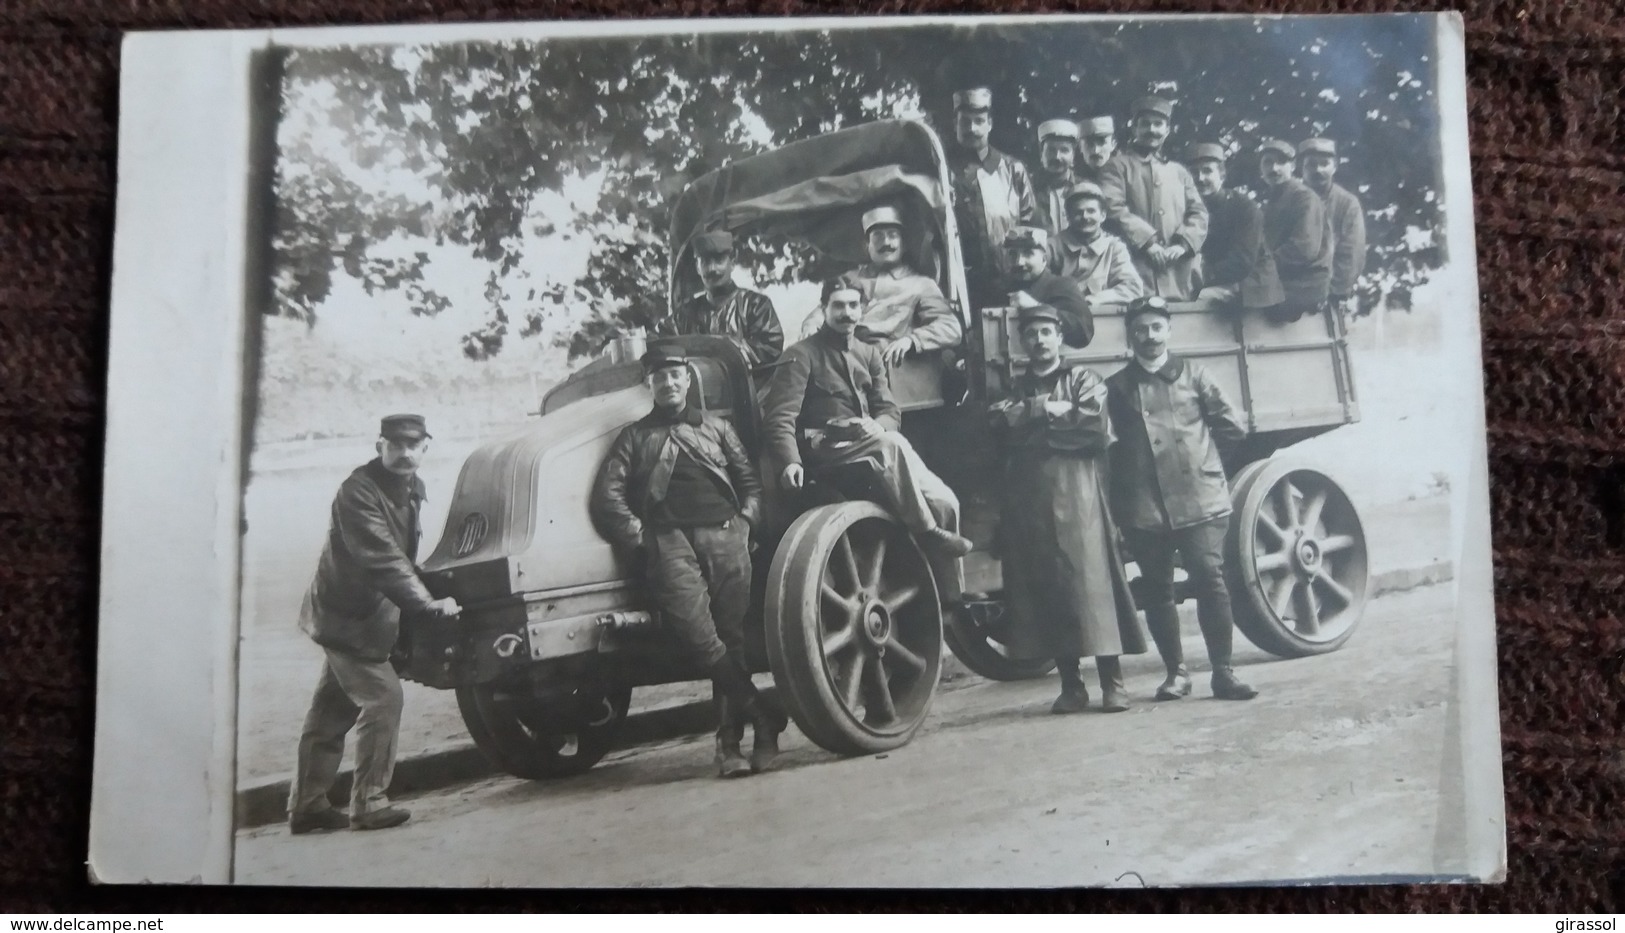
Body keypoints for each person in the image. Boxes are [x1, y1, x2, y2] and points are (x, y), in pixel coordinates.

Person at [589, 342, 786, 778]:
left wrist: (745, 524)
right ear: (649, 384)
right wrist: (642, 537)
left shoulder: (716, 429)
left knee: (731, 640)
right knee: (701, 640)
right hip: (669, 543)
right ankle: (763, 713)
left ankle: (730, 746)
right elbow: (608, 497)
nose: (668, 383)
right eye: (659, 377)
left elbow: (749, 482)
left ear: (688, 378)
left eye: (675, 374)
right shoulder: (635, 437)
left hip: (725, 538)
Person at [288, 414, 462, 834]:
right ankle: (368, 803)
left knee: (332, 709)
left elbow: (400, 556)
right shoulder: (358, 492)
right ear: (379, 445)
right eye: (395, 444)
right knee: (383, 698)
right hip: (346, 617)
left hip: (360, 617)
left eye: (413, 445)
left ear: (426, 448)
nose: (404, 453)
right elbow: (382, 557)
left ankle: (307, 806)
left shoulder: (409, 489)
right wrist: (426, 604)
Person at [988, 303, 1146, 715]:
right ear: (1023, 342)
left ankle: (1113, 683)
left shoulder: (1084, 380)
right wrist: (1045, 411)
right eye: (1032, 334)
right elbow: (998, 428)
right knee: (1048, 588)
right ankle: (1072, 685)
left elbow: (1092, 432)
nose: (1039, 340)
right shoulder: (1014, 388)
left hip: (1079, 497)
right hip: (1031, 500)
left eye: (1046, 332)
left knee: (1091, 584)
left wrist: (1033, 428)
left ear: (1059, 338)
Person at [1105, 297, 1259, 702]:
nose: (1149, 336)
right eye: (1141, 329)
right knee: (1157, 588)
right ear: (1130, 336)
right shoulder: (1117, 388)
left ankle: (1223, 672)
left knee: (1210, 579)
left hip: (1199, 501)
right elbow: (1108, 450)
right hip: (1143, 507)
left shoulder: (1196, 375)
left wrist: (1204, 467)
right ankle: (1176, 673)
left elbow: (1232, 430)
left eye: (1156, 327)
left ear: (1169, 330)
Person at [765, 276, 973, 558]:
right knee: (893, 444)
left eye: (853, 305)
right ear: (824, 308)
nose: (846, 313)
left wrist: (877, 425)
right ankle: (925, 532)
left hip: (870, 446)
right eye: (838, 306)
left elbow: (889, 410)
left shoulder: (869, 354)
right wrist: (789, 462)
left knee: (946, 502)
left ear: (862, 309)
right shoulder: (802, 355)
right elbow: (781, 417)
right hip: (824, 451)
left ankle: (952, 597)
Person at [804, 205, 962, 365]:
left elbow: (950, 327)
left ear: (904, 244)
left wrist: (912, 340)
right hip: (848, 363)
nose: (886, 242)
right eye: (878, 237)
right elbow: (824, 310)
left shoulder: (921, 284)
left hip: (896, 367)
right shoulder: (849, 279)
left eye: (892, 236)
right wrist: (811, 324)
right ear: (867, 246)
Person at [1098, 95, 1208, 301]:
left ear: (1167, 130)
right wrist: (1148, 243)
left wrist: (1182, 245)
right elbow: (1112, 207)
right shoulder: (1117, 166)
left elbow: (1198, 212)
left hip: (1179, 274)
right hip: (1137, 270)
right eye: (1145, 124)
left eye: (1158, 124)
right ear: (1135, 129)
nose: (1152, 130)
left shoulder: (1179, 171)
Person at [947, 86, 1037, 307]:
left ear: (990, 124)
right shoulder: (943, 171)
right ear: (954, 125)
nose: (972, 128)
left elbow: (1030, 224)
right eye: (964, 122)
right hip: (960, 283)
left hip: (1010, 279)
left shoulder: (1013, 169)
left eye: (979, 121)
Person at [1185, 142, 1284, 311]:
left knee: (1193, 301)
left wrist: (1201, 275)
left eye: (1207, 171)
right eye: (1194, 173)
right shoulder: (1186, 209)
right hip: (1215, 281)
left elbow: (1242, 262)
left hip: (1251, 284)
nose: (1200, 178)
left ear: (1222, 174)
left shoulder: (1244, 207)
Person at [662, 230, 784, 366]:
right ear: (698, 267)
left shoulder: (755, 305)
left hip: (747, 385)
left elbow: (771, 347)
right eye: (706, 262)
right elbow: (659, 340)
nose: (713, 268)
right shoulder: (685, 314)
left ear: (732, 263)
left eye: (719, 260)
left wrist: (724, 349)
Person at [1258, 138, 1333, 322]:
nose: (1274, 168)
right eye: (1268, 162)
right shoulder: (1272, 202)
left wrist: (1259, 269)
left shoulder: (1304, 198)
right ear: (1261, 168)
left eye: (1281, 162)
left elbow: (1302, 249)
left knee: (1231, 301)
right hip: (1285, 282)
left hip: (1305, 284)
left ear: (1292, 166)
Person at [1051, 182, 1145, 310]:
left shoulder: (1114, 247)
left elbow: (1132, 288)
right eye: (1078, 212)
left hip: (1102, 317)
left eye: (1091, 211)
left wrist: (1095, 299)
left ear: (1103, 215)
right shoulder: (1052, 246)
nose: (1085, 217)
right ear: (1068, 217)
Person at [1298, 137, 1367, 308]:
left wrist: (1333, 293)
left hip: (1327, 297)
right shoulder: (1289, 201)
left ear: (1334, 167)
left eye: (1324, 164)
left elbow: (1351, 252)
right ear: (1301, 168)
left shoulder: (1347, 203)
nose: (1318, 170)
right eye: (1311, 164)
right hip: (1290, 293)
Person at [1002, 225, 1094, 348]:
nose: (1019, 262)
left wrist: (1037, 307)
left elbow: (1083, 333)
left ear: (1044, 259)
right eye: (1013, 254)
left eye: (1028, 254)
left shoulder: (1062, 286)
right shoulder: (998, 289)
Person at [1031, 119, 1081, 238]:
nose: (1057, 157)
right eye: (1051, 150)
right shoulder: (1026, 188)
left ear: (1073, 156)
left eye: (1064, 150)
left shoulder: (1084, 187)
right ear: (1041, 154)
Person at [1075, 116, 1117, 185]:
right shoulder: (1072, 181)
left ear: (1113, 144)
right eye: (1089, 144)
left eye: (1101, 143)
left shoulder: (1124, 178)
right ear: (1080, 147)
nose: (1096, 151)